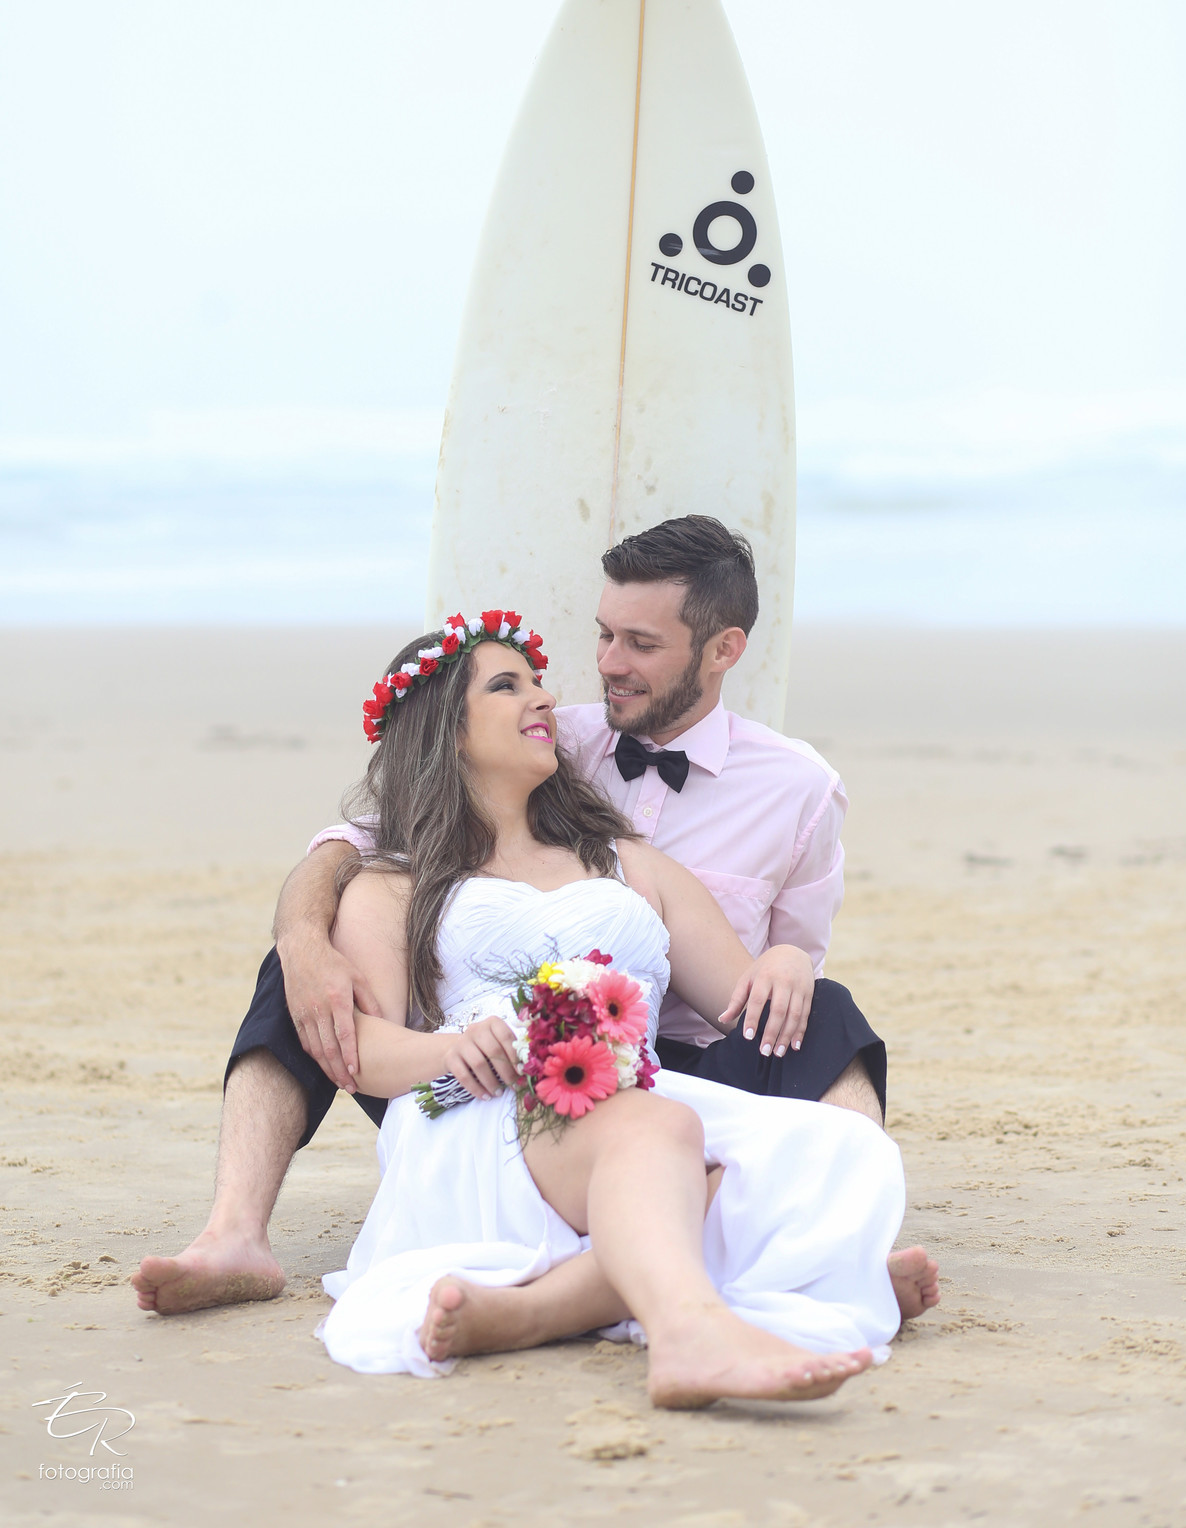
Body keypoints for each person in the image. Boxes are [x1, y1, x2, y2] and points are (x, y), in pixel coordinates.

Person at [133, 518, 938, 1325]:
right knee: (300, 967)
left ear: (722, 649)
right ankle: (235, 1233)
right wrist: (304, 940)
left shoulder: (795, 789)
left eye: (641, 643)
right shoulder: (556, 739)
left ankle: (842, 1247)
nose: (605, 666)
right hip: (469, 1074)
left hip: (671, 1057)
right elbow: (358, 845)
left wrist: (792, 961)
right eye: (604, 636)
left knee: (825, 1009)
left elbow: (766, 990)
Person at [302, 615, 905, 1405]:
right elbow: (362, 1049)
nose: (544, 696)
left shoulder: (632, 863)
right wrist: (452, 1053)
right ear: (445, 731)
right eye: (506, 684)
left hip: (627, 1091)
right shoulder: (391, 884)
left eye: (538, 680)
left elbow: (744, 1001)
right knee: (668, 1139)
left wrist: (791, 960)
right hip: (482, 1107)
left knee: (833, 1154)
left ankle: (530, 1313)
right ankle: (692, 1337)